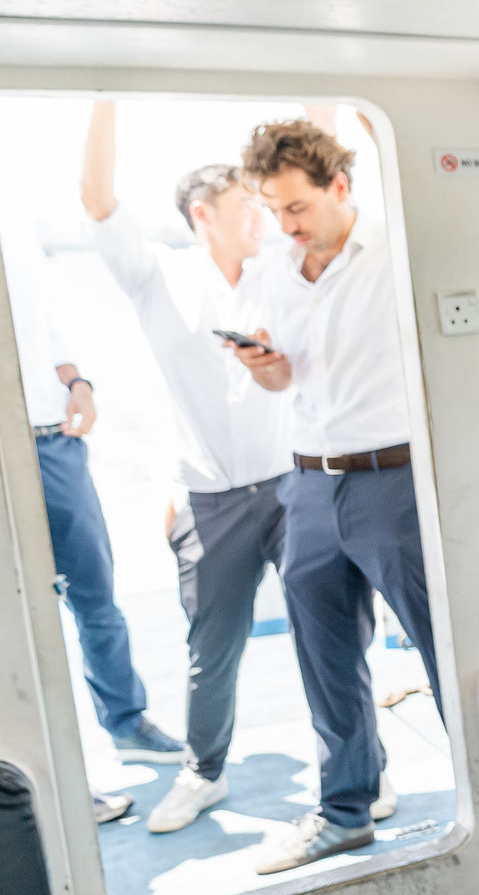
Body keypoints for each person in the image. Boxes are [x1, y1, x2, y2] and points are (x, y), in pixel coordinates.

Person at [77, 102, 329, 834]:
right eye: (247, 205)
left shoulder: (281, 269)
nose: (261, 217)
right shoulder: (155, 278)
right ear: (202, 214)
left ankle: (356, 768)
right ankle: (204, 773)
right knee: (210, 651)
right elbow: (97, 200)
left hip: (293, 487)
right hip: (210, 500)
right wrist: (104, 95)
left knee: (327, 634)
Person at [229, 118, 437, 875]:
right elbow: (286, 377)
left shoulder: (398, 249)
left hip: (394, 479)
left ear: (340, 186)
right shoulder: (276, 270)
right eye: (273, 210)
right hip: (310, 484)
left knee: (440, 645)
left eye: (297, 207)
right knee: (325, 654)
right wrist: (265, 368)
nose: (285, 225)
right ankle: (346, 810)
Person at [1, 219, 181, 824]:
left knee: (95, 594)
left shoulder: (15, 227)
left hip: (54, 442)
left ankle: (126, 724)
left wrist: (77, 382)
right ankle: (47, 781)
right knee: (16, 625)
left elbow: (41, 326)